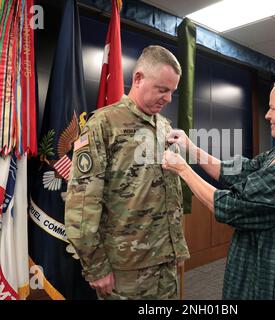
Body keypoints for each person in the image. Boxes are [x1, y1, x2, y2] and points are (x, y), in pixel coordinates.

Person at [162, 74, 275, 299]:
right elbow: (238, 172)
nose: (267, 115)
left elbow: (233, 207)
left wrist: (183, 170)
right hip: (258, 263)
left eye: (273, 109)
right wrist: (190, 148)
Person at [65, 45, 190, 300]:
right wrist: (96, 267)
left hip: (165, 261)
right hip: (126, 269)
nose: (167, 99)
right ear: (138, 78)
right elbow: (82, 204)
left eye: (172, 92)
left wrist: (177, 249)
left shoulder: (164, 126)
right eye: (162, 89)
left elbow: (169, 191)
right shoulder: (103, 124)